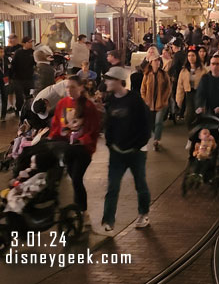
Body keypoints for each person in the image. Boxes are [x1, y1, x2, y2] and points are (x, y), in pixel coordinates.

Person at [101, 66, 152, 232]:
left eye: (109, 79)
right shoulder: (111, 100)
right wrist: (110, 143)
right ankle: (108, 220)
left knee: (140, 184)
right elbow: (109, 125)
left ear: (118, 81)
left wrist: (138, 145)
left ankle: (143, 214)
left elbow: (146, 124)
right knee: (112, 186)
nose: (106, 82)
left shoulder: (134, 100)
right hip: (117, 152)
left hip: (136, 152)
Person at [49, 76, 99, 225]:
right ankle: (78, 210)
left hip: (82, 150)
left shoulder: (88, 106)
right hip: (67, 148)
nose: (69, 90)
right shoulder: (62, 104)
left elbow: (93, 129)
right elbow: (57, 125)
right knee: (74, 179)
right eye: (67, 87)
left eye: (73, 87)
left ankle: (83, 212)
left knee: (76, 178)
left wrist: (82, 140)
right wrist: (52, 138)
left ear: (80, 87)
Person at [140, 53, 172, 151]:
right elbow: (143, 88)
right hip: (149, 103)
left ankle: (156, 140)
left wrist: (164, 99)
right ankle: (155, 136)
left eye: (158, 60)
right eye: (155, 61)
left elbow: (168, 88)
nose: (157, 62)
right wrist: (145, 100)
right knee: (152, 123)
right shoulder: (147, 75)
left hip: (160, 103)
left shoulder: (163, 74)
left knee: (158, 122)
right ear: (151, 63)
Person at [176, 48, 206, 128]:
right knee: (188, 115)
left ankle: (199, 132)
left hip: (200, 94)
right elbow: (180, 86)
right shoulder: (184, 70)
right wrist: (179, 99)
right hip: (189, 93)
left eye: (193, 55)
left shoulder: (203, 70)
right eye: (189, 56)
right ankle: (191, 131)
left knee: (199, 113)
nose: (191, 58)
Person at [11, 36, 35, 117]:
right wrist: (12, 77)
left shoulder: (32, 52)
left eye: (31, 42)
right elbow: (13, 65)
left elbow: (35, 64)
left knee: (28, 96)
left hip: (28, 78)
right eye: (29, 42)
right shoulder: (18, 52)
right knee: (19, 97)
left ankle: (27, 111)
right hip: (18, 79)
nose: (31, 44)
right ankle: (19, 111)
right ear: (24, 43)